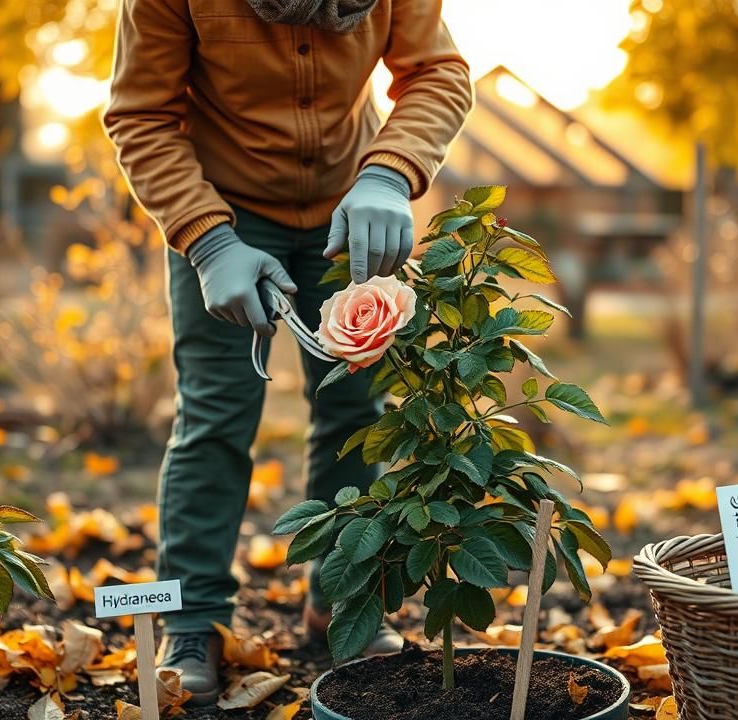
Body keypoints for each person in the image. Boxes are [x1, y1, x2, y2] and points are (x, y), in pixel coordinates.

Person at [103, 0, 472, 704]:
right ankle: (191, 620)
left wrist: (389, 174)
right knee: (214, 417)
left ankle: (343, 601)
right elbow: (140, 114)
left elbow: (437, 73)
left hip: (355, 208)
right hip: (224, 213)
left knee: (357, 409)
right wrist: (208, 242)